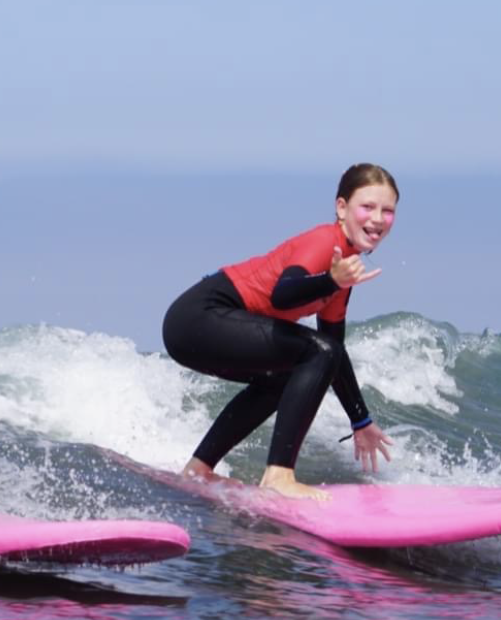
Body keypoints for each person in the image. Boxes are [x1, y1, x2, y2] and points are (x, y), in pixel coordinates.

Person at [162, 163, 399, 502]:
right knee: (314, 353)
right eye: (368, 207)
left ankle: (199, 469)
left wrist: (360, 421)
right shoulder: (323, 242)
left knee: (291, 370)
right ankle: (279, 475)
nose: (377, 219)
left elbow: (334, 351)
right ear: (342, 208)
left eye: (387, 211)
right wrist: (332, 281)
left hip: (201, 325)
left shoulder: (342, 268)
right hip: (198, 317)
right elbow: (283, 293)